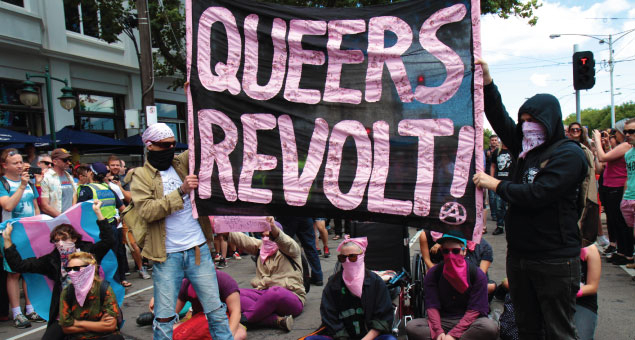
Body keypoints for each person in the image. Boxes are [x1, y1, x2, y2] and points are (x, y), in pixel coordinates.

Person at [472, 59, 587, 340]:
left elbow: (539, 194)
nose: (526, 127)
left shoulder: (569, 154)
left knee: (559, 331)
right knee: (527, 328)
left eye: (532, 121)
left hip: (555, 260)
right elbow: (498, 117)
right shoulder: (526, 148)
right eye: (523, 121)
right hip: (520, 256)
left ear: (549, 121)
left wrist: (496, 184)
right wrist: (487, 81)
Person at [129, 123, 232, 340]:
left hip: (197, 249)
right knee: (165, 317)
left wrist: (194, 91)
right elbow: (147, 210)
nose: (171, 149)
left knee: (215, 310)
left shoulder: (181, 163)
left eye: (174, 144)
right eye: (164, 145)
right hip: (166, 255)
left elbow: (203, 141)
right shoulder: (140, 176)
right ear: (150, 146)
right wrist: (181, 191)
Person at [3, 200, 114, 340]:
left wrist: (98, 212)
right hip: (65, 314)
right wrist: (7, 241)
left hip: (94, 310)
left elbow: (108, 240)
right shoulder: (52, 261)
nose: (60, 243)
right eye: (56, 240)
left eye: (64, 239)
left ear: (74, 239)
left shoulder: (89, 252)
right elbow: (19, 266)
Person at [406, 232, 499, 340]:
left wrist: (453, 334)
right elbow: (432, 306)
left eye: (455, 251)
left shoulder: (477, 274)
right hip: (443, 320)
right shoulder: (434, 273)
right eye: (446, 251)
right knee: (412, 326)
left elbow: (475, 309)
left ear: (464, 251)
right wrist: (438, 331)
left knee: (489, 327)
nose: (450, 255)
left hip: (470, 321)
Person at [228, 217, 305, 331]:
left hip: (289, 297)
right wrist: (220, 226)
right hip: (263, 295)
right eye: (263, 236)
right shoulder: (260, 247)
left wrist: (272, 227)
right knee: (235, 294)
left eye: (269, 236)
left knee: (275, 292)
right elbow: (242, 239)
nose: (266, 239)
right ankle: (276, 320)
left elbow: (284, 240)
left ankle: (244, 319)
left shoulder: (291, 249)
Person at [309, 236, 394, 340]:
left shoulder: (375, 282)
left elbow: (383, 316)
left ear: (362, 256)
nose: (348, 261)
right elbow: (330, 317)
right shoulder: (333, 284)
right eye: (343, 258)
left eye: (352, 257)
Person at [0, 148, 42, 328]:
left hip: (31, 232)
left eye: (20, 162)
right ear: (4, 166)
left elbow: (36, 207)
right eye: (15, 163)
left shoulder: (30, 183)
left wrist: (40, 226)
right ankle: (17, 312)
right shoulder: (3, 183)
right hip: (11, 233)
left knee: (30, 270)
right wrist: (23, 185)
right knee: (14, 272)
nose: (20, 165)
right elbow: (8, 206)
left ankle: (31, 309)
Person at [144, 271, 246, 340]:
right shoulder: (186, 283)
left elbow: (236, 313)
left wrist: (227, 336)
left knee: (239, 334)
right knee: (166, 331)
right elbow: (171, 313)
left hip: (224, 319)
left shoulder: (224, 280)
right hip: (198, 320)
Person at [77, 163, 129, 287]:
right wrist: (118, 219)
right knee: (113, 260)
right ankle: (114, 290)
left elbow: (78, 211)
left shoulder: (86, 189)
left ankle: (100, 289)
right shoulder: (108, 188)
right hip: (112, 229)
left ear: (90, 173)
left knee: (99, 262)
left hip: (95, 230)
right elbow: (123, 209)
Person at [593, 119, 633, 265]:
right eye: (626, 132)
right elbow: (601, 164)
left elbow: (603, 158)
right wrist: (604, 146)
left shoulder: (626, 146)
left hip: (618, 188)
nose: (615, 134)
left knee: (622, 224)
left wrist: (597, 140)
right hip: (612, 187)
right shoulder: (624, 147)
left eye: (616, 132)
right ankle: (622, 251)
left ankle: (627, 253)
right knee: (616, 222)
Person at [58, 251, 123, 340]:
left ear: (89, 269)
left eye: (76, 268)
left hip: (104, 337)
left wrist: (78, 323)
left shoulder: (103, 289)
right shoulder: (67, 292)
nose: (71, 273)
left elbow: (110, 326)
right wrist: (99, 325)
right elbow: (66, 328)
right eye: (69, 269)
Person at [569, 122, 600, 246]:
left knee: (589, 212)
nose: (575, 131)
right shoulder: (565, 146)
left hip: (586, 184)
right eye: (573, 129)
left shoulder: (586, 147)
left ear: (582, 131)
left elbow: (595, 167)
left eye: (578, 129)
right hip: (573, 186)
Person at [276, 216, 324, 286]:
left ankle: (286, 275)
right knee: (310, 247)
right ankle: (318, 276)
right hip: (304, 215)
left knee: (284, 245)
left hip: (288, 215)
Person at [40, 148, 77, 217]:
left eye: (69, 160)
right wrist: (62, 218)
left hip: (70, 219)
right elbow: (44, 206)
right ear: (55, 162)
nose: (68, 163)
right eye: (65, 160)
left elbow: (74, 196)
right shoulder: (46, 177)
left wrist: (72, 215)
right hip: (55, 221)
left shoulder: (69, 176)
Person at [619, 118, 635, 269]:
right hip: (628, 198)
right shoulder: (628, 154)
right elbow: (628, 176)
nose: (627, 135)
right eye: (625, 132)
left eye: (631, 131)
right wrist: (624, 197)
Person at [490, 142, 514, 235]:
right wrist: (491, 179)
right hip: (499, 183)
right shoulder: (497, 151)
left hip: (512, 182)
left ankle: (512, 226)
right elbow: (493, 165)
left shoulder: (514, 149)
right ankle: (500, 226)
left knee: (512, 206)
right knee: (499, 206)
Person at [485, 134, 500, 225]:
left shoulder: (500, 151)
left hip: (500, 175)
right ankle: (494, 214)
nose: (494, 142)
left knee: (499, 196)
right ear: (490, 141)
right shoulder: (486, 151)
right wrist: (488, 156)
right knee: (491, 196)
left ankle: (499, 214)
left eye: (495, 140)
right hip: (489, 175)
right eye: (492, 140)